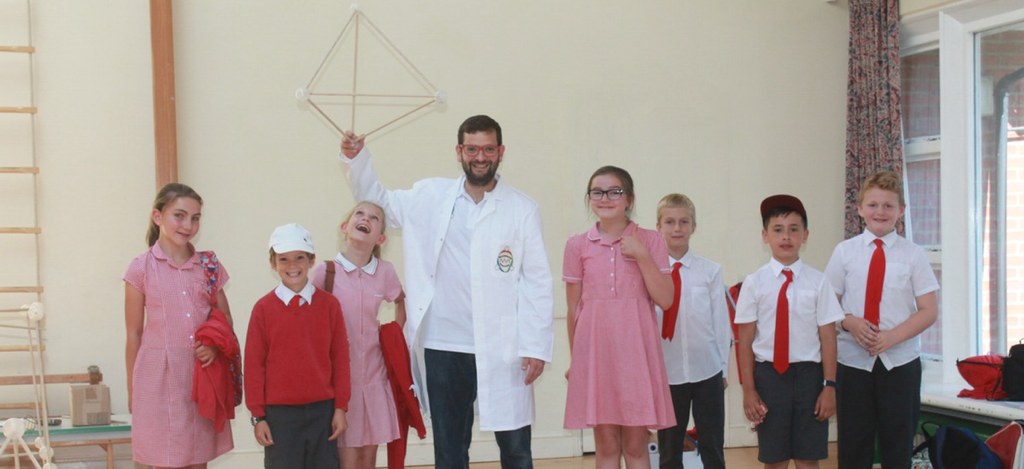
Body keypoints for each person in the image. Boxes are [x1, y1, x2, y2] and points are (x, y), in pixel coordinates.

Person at [338, 115, 554, 469]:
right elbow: (378, 202)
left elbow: (537, 282)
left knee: (516, 449)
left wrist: (535, 346)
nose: (480, 157)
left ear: (501, 152)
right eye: (472, 149)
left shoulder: (522, 208)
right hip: (443, 345)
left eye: (487, 149)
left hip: (504, 347)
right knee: (450, 451)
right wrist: (357, 158)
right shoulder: (429, 195)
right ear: (459, 151)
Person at [824, 171, 939, 468]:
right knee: (853, 443)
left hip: (900, 363)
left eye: (889, 206)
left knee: (898, 443)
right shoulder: (844, 252)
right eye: (873, 205)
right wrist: (850, 322)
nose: (880, 212)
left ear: (901, 210)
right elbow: (827, 306)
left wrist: (892, 337)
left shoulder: (913, 255)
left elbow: (928, 310)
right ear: (860, 209)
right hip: (853, 362)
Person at [563, 165, 676, 469]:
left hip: (635, 355)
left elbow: (665, 299)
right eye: (597, 192)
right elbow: (574, 309)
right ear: (589, 199)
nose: (606, 198)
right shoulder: (577, 244)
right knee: (606, 444)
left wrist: (641, 256)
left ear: (629, 198)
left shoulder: (650, 240)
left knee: (636, 444)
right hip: (596, 355)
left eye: (615, 191)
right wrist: (577, 362)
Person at [124, 182, 234, 469]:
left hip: (199, 378)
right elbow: (134, 333)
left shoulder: (208, 266)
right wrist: (132, 389)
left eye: (195, 218)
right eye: (180, 215)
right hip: (156, 380)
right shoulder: (139, 268)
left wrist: (212, 345)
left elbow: (225, 320)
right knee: (163, 459)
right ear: (157, 216)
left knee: (196, 460)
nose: (188, 225)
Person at [735, 194, 842, 469]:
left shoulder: (819, 282)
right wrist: (749, 389)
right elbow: (744, 341)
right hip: (769, 377)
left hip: (809, 376)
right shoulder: (754, 283)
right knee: (775, 458)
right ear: (765, 235)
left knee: (808, 457)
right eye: (778, 230)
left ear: (805, 235)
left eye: (794, 230)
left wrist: (829, 386)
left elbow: (828, 338)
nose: (786, 237)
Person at [244, 223, 350, 468]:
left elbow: (341, 360)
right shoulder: (263, 309)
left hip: (323, 413)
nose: (292, 266)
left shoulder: (329, 306)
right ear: (273, 263)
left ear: (311, 260)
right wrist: (258, 416)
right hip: (279, 416)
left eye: (299, 258)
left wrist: (340, 407)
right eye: (284, 259)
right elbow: (253, 366)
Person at [310, 201, 407, 469]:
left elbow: (401, 300)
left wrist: (394, 336)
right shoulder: (325, 271)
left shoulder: (385, 272)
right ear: (345, 227)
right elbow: (307, 315)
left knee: (368, 457)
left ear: (382, 237)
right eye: (360, 214)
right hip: (342, 381)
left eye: (374, 218)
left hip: (375, 378)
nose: (366, 219)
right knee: (347, 458)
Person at [654, 193, 729, 469]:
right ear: (658, 227)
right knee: (670, 449)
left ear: (693, 227)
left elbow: (721, 324)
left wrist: (723, 369)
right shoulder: (650, 272)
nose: (677, 228)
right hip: (668, 373)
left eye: (684, 222)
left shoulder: (710, 271)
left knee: (712, 445)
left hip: (706, 371)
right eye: (670, 222)